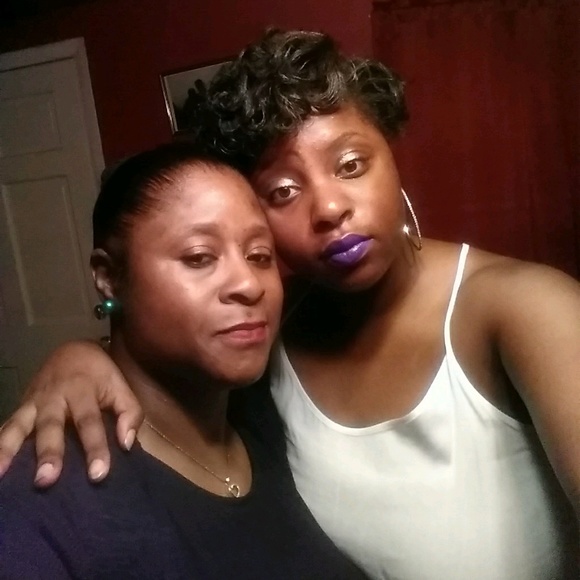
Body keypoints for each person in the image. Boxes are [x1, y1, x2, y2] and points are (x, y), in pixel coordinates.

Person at [1, 29, 579, 579]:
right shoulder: (269, 333)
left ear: (392, 154)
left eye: (351, 165)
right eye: (282, 191)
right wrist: (83, 355)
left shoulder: (524, 307)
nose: (328, 208)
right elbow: (164, 353)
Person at [0, 141, 367, 579]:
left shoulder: (267, 415)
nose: (250, 284)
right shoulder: (43, 495)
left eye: (260, 256)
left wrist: (79, 351)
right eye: (199, 257)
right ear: (109, 277)